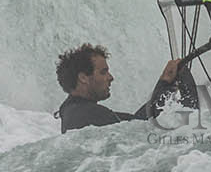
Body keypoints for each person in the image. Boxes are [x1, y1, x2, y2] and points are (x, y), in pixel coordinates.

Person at [53, 42, 193, 133]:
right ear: (83, 78)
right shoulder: (89, 114)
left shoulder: (71, 111)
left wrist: (165, 84)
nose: (110, 77)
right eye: (103, 72)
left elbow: (134, 121)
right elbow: (138, 128)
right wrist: (165, 84)